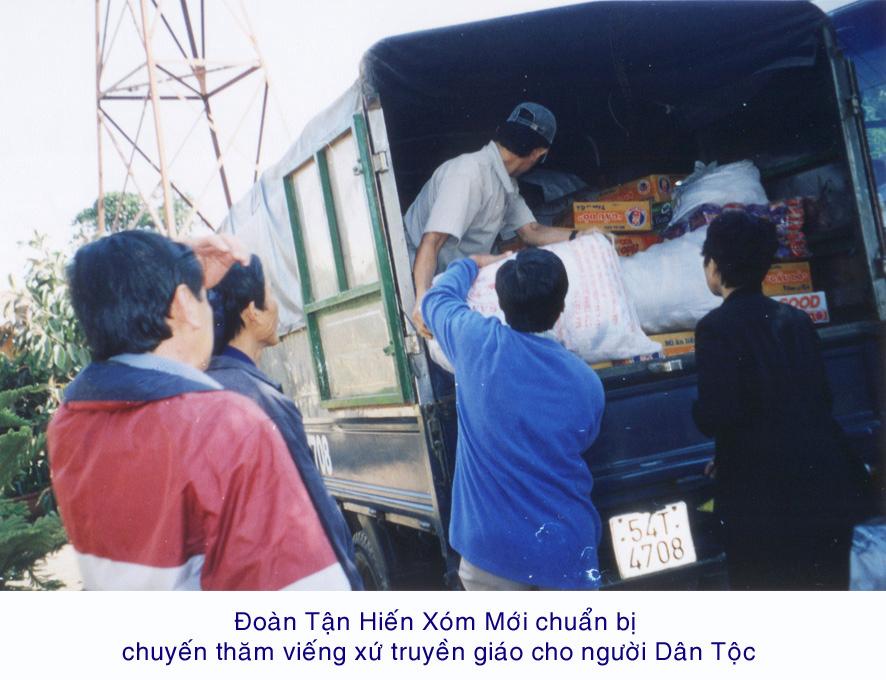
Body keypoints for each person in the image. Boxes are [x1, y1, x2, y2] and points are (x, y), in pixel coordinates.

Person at [48, 231, 353, 590]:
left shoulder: (68, 423)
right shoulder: (227, 426)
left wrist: (160, 266)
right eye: (204, 297)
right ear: (184, 305)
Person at [692, 211, 871, 590]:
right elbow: (819, 398)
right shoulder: (795, 320)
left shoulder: (714, 328)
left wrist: (728, 454)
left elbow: (716, 414)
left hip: (762, 505)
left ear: (715, 266)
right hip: (822, 491)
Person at [421, 248, 605, 590]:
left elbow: (435, 299)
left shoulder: (475, 342)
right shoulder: (586, 382)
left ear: (501, 304)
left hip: (490, 554)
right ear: (561, 306)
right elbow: (585, 439)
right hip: (564, 554)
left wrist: (471, 263)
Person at [205, 255, 363, 589]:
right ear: (253, 312)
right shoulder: (262, 403)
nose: (277, 306)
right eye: (271, 294)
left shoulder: (204, 389)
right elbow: (317, 515)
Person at [407, 102, 579, 338]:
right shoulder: (469, 173)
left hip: (453, 280)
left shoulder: (506, 183)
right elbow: (432, 241)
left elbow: (532, 231)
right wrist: (422, 300)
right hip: (419, 278)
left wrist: (580, 235)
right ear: (539, 153)